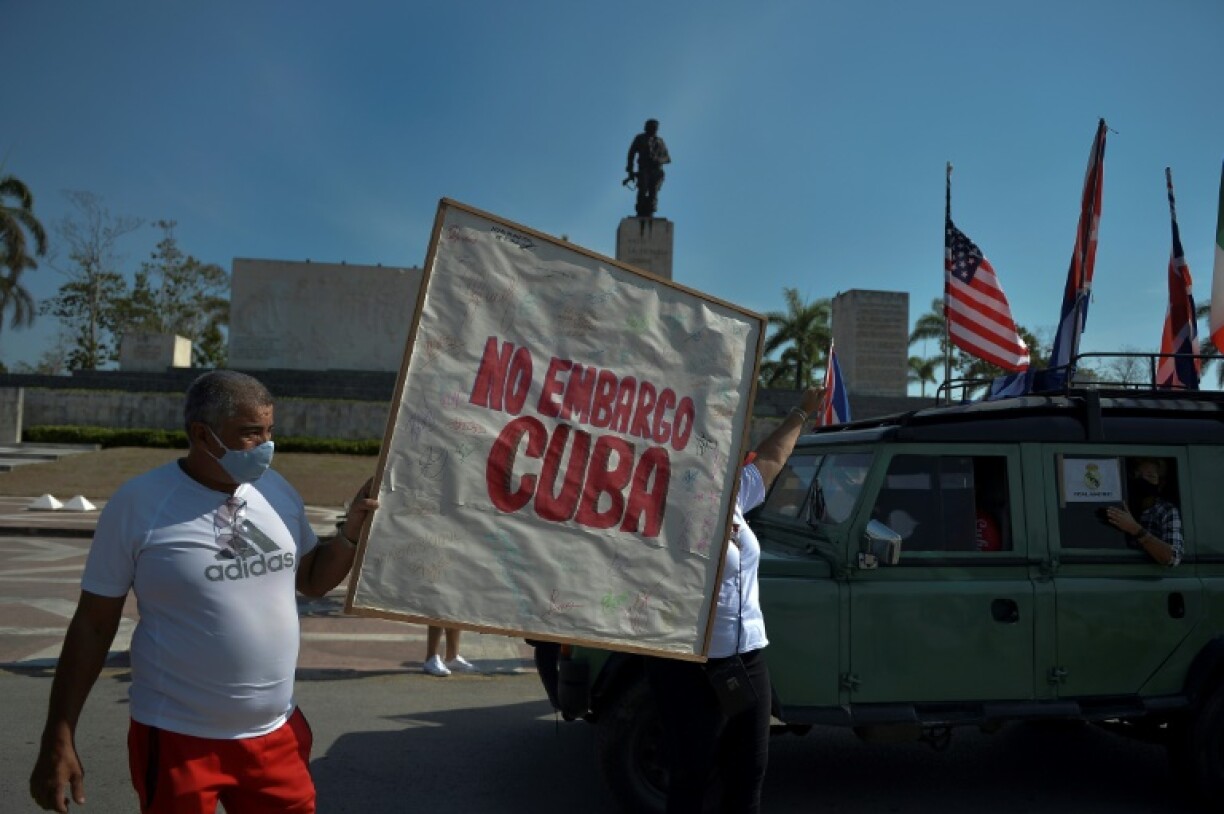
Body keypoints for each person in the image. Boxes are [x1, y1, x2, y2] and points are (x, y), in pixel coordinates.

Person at [29, 370, 379, 813]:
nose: (267, 446)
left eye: (270, 431)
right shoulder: (140, 504)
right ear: (201, 434)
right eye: (251, 434)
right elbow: (93, 626)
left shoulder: (276, 491)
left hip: (276, 735)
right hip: (178, 738)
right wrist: (58, 734)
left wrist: (350, 533)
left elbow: (310, 580)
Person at [644, 386, 824, 814]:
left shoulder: (732, 494)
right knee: (690, 774)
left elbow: (771, 460)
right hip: (687, 661)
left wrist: (802, 411)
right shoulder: (659, 501)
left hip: (747, 657)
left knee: (750, 771)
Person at [1104, 457, 1183, 566]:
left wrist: (1134, 528)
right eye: (1138, 475)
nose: (1141, 480)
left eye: (1150, 476)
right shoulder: (1120, 505)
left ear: (1161, 484)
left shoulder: (1166, 511)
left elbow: (1172, 558)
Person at [625, 118, 671, 218]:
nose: (653, 129)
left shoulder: (660, 141)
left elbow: (667, 158)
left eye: (655, 127)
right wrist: (630, 171)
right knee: (642, 189)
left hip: (656, 170)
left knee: (653, 192)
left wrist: (658, 160)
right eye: (651, 127)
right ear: (646, 127)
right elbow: (631, 154)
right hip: (644, 169)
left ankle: (651, 211)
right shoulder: (640, 138)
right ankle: (640, 211)